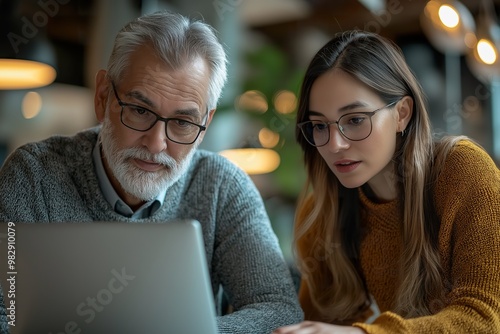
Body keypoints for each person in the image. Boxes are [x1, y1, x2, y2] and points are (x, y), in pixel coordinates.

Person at [0, 10, 303, 333]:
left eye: (183, 123)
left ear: (205, 125)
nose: (157, 144)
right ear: (103, 97)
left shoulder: (223, 186)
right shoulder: (33, 175)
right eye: (141, 111)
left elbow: (279, 309)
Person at [274, 30, 500, 334]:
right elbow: (321, 322)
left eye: (354, 119)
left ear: (402, 114)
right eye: (318, 125)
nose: (334, 144)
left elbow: (485, 319)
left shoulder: (462, 171)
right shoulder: (324, 210)